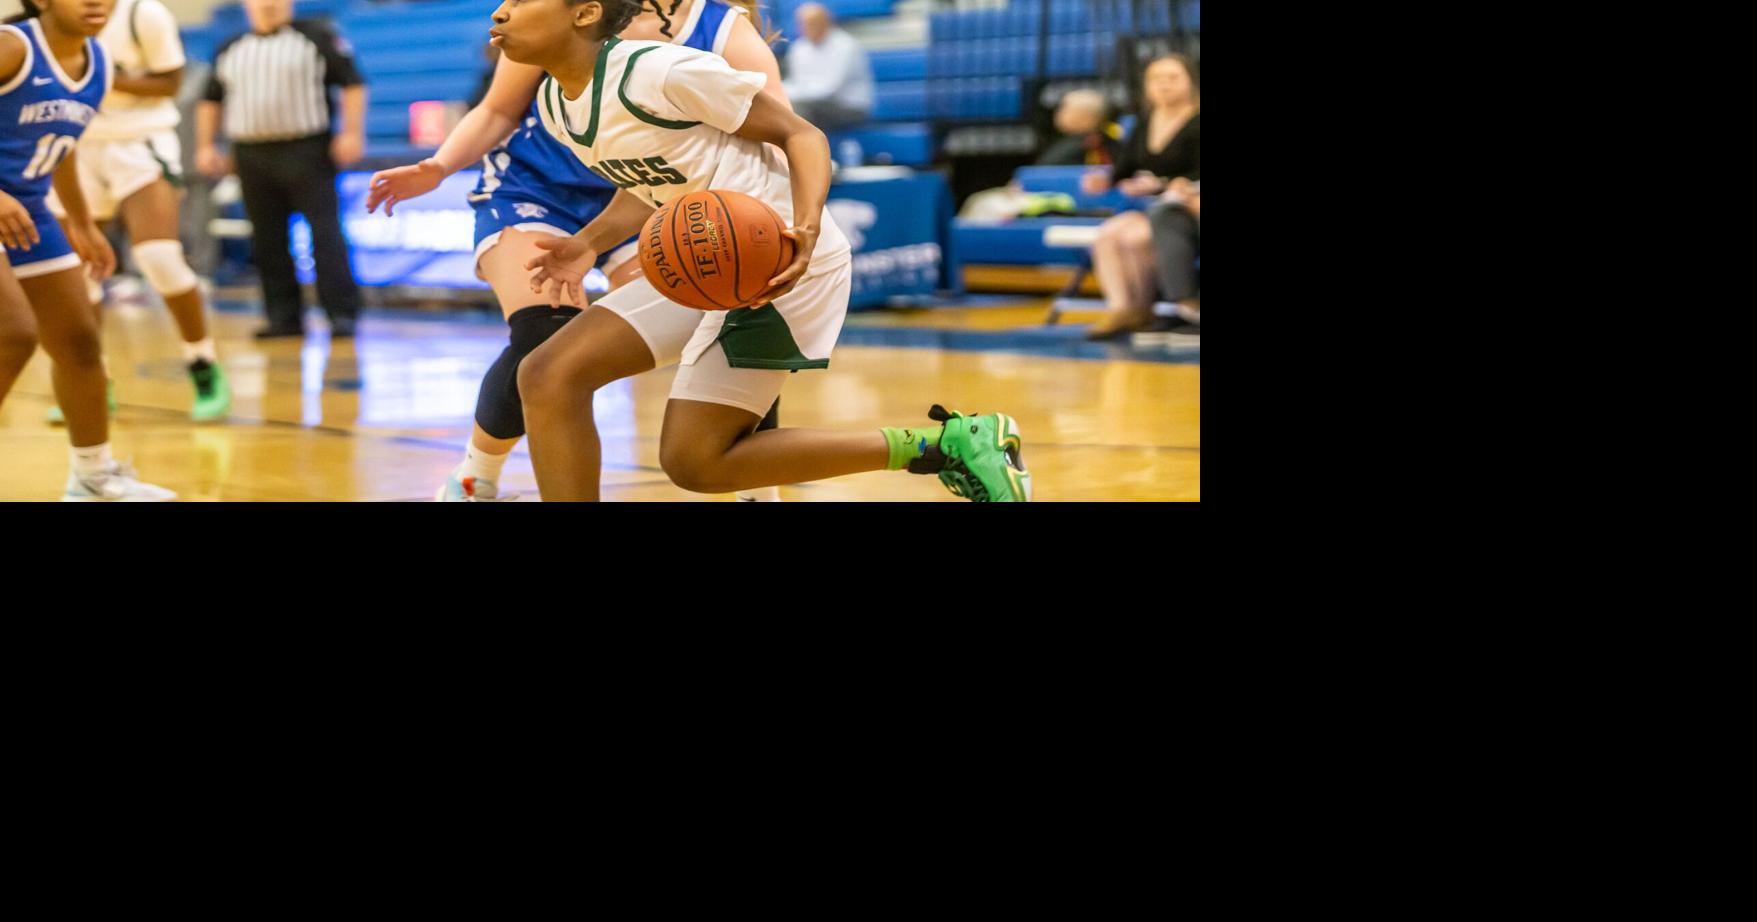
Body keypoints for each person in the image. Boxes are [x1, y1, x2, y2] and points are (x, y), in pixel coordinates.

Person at [495, 0, 1028, 502]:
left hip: (779, 262)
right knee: (547, 374)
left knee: (695, 462)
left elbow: (801, 134)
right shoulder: (555, 104)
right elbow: (650, 184)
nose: (500, 12)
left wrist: (807, 226)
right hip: (708, 260)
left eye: (520, 1)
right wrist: (585, 243)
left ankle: (947, 446)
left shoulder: (659, 70)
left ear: (585, 13)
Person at [366, 0, 789, 502]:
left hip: (651, 203)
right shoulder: (562, 9)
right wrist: (437, 167)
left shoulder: (719, 28)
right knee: (546, 334)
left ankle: (756, 489)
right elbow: (499, 108)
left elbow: (778, 135)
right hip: (537, 189)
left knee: (731, 311)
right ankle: (472, 478)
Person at [0, 0, 176, 499]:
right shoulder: (12, 46)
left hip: (28, 209)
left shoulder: (98, 62)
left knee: (78, 341)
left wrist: (80, 221)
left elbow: (62, 140)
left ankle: (93, 477)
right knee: (14, 333)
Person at [45, 0, 230, 422]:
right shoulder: (44, 21)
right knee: (78, 273)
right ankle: (92, 380)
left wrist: (104, 77)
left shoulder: (143, 14)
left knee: (159, 257)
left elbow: (171, 83)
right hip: (76, 146)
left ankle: (202, 365)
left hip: (140, 139)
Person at [195, 0, 366, 339]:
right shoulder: (230, 47)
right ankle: (283, 318)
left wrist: (351, 133)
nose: (269, 4)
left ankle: (341, 313)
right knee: (267, 239)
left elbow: (352, 83)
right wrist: (205, 145)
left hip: (307, 148)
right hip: (250, 154)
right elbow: (211, 99)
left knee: (325, 234)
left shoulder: (317, 37)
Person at [1080, 54, 1198, 340]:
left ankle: (1148, 307)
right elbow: (1125, 167)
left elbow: (1193, 175)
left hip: (1181, 207)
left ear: (1190, 82)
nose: (1165, 85)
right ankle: (1122, 309)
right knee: (1108, 236)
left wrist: (1164, 185)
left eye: (1172, 78)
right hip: (1151, 204)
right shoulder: (1144, 122)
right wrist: (1106, 180)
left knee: (1134, 238)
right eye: (1157, 79)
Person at [780, 2, 870, 131]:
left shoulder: (845, 46)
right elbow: (796, 81)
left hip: (849, 107)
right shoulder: (799, 47)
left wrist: (792, 94)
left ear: (826, 22)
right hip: (812, 103)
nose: (805, 28)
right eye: (802, 23)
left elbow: (830, 89)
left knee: (797, 109)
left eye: (811, 23)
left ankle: (801, 150)